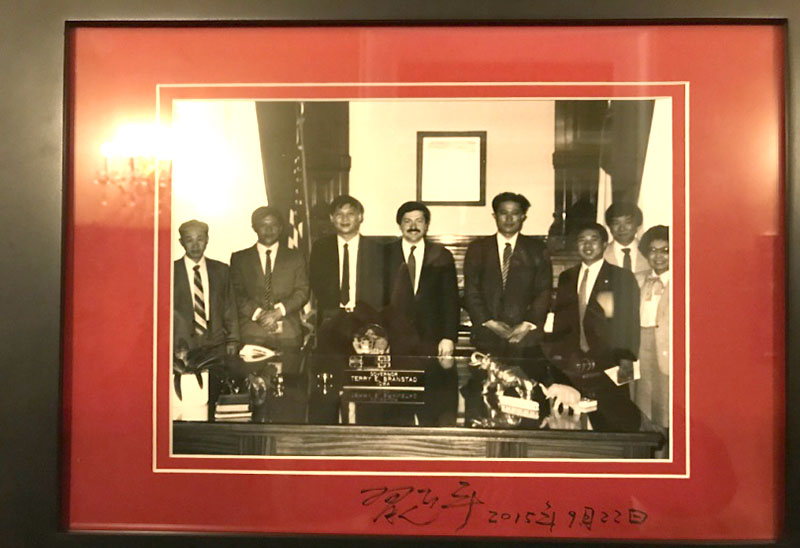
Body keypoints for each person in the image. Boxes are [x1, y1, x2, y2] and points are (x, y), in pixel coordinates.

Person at [549, 222, 641, 431]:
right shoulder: (567, 277)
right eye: (582, 240)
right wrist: (559, 357)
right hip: (573, 361)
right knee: (573, 420)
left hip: (610, 361)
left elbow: (629, 322)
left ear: (605, 244)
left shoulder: (622, 277)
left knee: (613, 421)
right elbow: (561, 322)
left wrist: (626, 359)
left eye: (594, 240)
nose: (588, 245)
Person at [464, 191, 552, 359]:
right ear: (495, 216)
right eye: (503, 213)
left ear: (523, 217)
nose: (509, 218)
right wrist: (490, 323)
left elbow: (544, 291)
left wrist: (526, 325)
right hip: (486, 334)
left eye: (515, 213)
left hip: (525, 336)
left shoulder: (537, 249)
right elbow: (471, 291)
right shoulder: (477, 249)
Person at [229, 206, 309, 372]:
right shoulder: (240, 259)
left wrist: (278, 312)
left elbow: (302, 291)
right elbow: (235, 293)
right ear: (254, 227)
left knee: (289, 382)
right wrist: (259, 314)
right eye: (263, 225)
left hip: (288, 332)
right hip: (253, 333)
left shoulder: (295, 257)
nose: (268, 230)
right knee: (253, 382)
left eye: (273, 225)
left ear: (280, 228)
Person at [384, 201, 459, 357]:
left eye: (419, 221)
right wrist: (379, 337)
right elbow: (377, 298)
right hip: (392, 338)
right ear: (399, 225)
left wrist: (449, 337)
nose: (413, 226)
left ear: (426, 225)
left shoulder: (442, 255)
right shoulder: (384, 253)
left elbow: (450, 299)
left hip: (431, 338)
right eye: (407, 221)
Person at [309, 195, 384, 323]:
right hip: (331, 317)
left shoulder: (376, 249)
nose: (345, 219)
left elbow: (380, 289)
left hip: (366, 317)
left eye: (350, 214)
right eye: (339, 214)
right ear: (332, 218)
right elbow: (316, 283)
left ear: (360, 217)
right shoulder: (321, 248)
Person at [172, 219, 239, 356]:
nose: (195, 245)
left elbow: (229, 306)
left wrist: (233, 340)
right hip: (182, 345)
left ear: (207, 240)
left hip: (216, 342)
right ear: (181, 242)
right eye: (189, 240)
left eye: (200, 239)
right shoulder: (171, 271)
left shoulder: (221, 270)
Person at [633, 225, 670, 432]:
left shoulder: (684, 280)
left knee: (665, 403)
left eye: (665, 250)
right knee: (643, 399)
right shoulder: (639, 278)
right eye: (653, 251)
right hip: (641, 345)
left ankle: (668, 447)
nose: (658, 256)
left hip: (668, 347)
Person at [603, 202, 650, 275]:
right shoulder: (601, 254)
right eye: (616, 223)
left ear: (638, 224)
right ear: (609, 226)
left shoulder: (649, 252)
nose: (622, 228)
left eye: (628, 222)